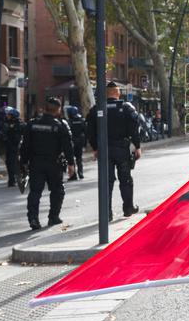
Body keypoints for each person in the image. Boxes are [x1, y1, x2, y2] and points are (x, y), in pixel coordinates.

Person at [86, 81, 142, 219]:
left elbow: (90, 131)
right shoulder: (127, 107)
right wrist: (137, 146)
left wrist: (95, 148)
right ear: (117, 93)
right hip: (122, 149)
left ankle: (107, 213)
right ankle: (128, 208)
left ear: (106, 93)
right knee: (126, 180)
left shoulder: (97, 109)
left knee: (106, 181)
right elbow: (134, 129)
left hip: (104, 150)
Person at [20, 97, 75, 230]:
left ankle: (33, 218)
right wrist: (71, 164)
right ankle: (53, 217)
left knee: (35, 192)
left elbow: (24, 145)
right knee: (57, 190)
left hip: (36, 163)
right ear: (58, 110)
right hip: (54, 163)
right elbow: (68, 146)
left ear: (45, 109)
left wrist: (23, 163)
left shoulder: (32, 124)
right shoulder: (60, 125)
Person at [0, 107, 25, 190]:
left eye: (9, 115)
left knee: (17, 163)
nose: (8, 116)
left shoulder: (20, 124)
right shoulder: (6, 123)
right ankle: (11, 180)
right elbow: (3, 133)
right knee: (9, 163)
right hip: (9, 147)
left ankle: (19, 178)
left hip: (18, 146)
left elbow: (24, 134)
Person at [64, 105, 87, 182]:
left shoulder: (69, 122)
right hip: (80, 141)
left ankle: (73, 175)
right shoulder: (81, 120)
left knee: (71, 158)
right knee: (79, 158)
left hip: (72, 141)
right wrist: (85, 143)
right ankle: (80, 173)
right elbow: (85, 131)